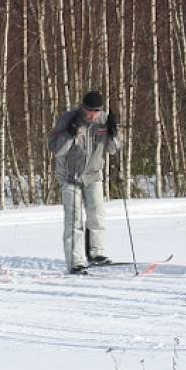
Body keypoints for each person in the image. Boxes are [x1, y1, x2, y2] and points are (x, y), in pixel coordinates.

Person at [48, 90, 120, 274]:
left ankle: (97, 253)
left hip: (94, 175)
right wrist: (69, 134)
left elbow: (113, 150)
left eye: (96, 112)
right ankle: (75, 261)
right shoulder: (69, 119)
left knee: (97, 214)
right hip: (70, 177)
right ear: (82, 108)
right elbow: (57, 150)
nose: (92, 115)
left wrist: (113, 133)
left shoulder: (104, 120)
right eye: (89, 111)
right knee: (74, 220)